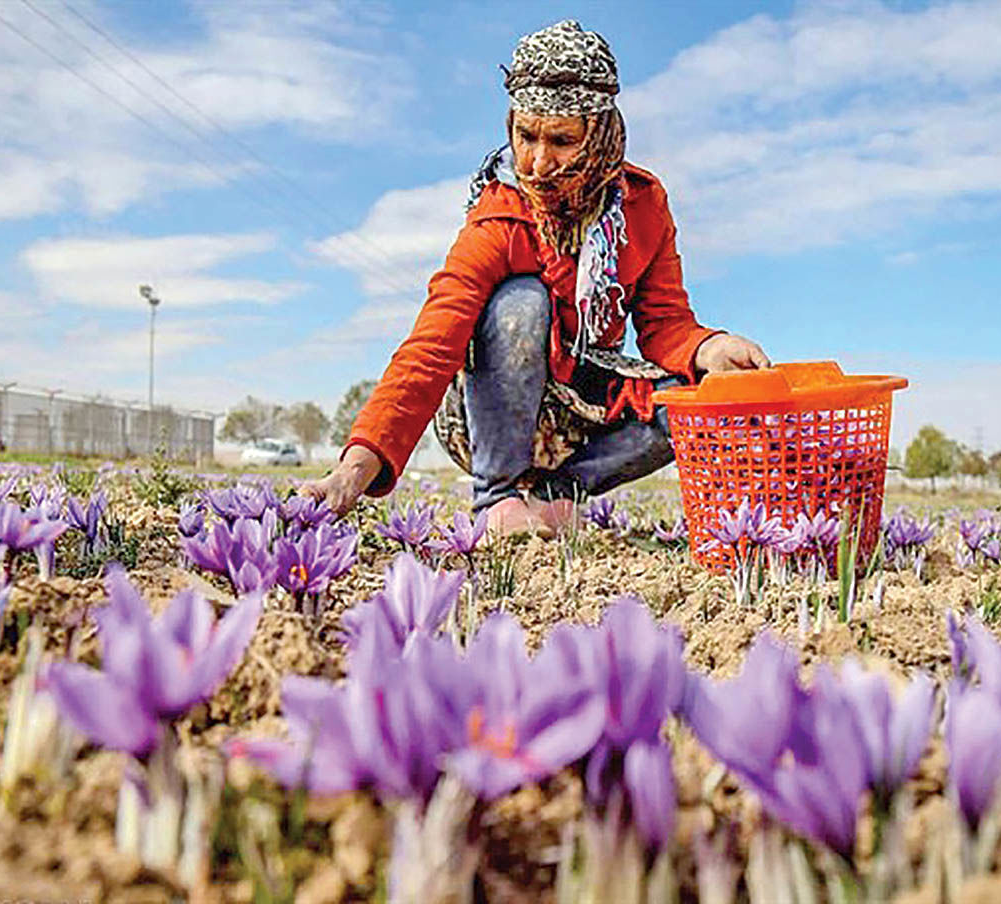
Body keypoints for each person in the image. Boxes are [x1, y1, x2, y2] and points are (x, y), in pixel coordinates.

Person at [305, 19, 768, 536]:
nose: (538, 163)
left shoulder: (643, 205)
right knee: (521, 301)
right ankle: (498, 499)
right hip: (488, 415)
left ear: (600, 134)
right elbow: (433, 345)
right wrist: (354, 469)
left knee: (694, 398)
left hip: (584, 405)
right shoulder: (499, 219)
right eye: (525, 136)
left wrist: (708, 349)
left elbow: (664, 325)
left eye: (562, 140)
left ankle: (556, 496)